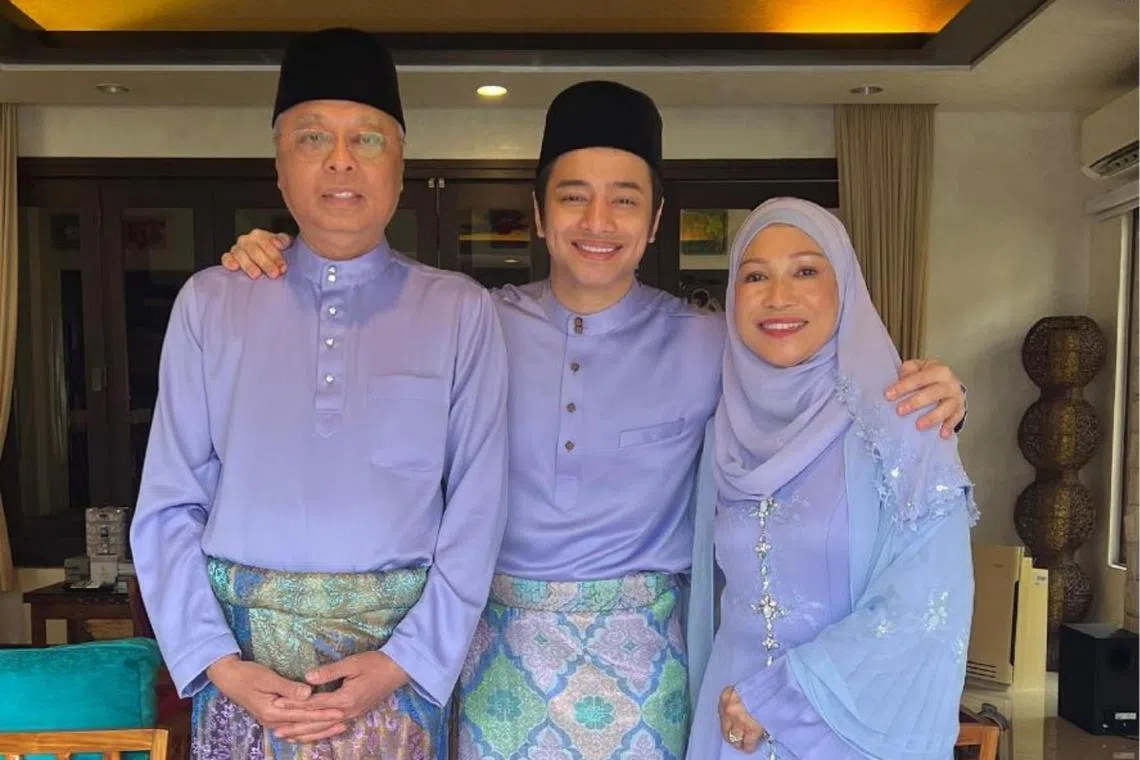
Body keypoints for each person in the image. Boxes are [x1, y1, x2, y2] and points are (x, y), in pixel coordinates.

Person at [221, 82, 968, 759]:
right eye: (575, 197)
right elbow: (367, 303)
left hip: (644, 671)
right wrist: (285, 256)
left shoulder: (712, 341)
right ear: (541, 214)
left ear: (655, 221)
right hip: (494, 658)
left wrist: (925, 392)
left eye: (625, 199)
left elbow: (809, 372)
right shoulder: (469, 321)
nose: (598, 222)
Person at [130, 28, 509, 759]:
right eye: (312, 138)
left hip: (393, 679)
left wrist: (401, 665)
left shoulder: (459, 310)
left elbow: (478, 508)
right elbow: (169, 504)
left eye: (367, 139)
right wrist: (221, 666)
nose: (340, 160)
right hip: (244, 674)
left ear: (400, 166)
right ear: (279, 168)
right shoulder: (212, 302)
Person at [686, 197, 976, 760]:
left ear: (845, 286)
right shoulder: (722, 426)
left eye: (805, 270)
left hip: (842, 732)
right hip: (728, 730)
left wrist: (779, 697)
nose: (778, 297)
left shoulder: (905, 420)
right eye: (754, 275)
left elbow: (927, 606)